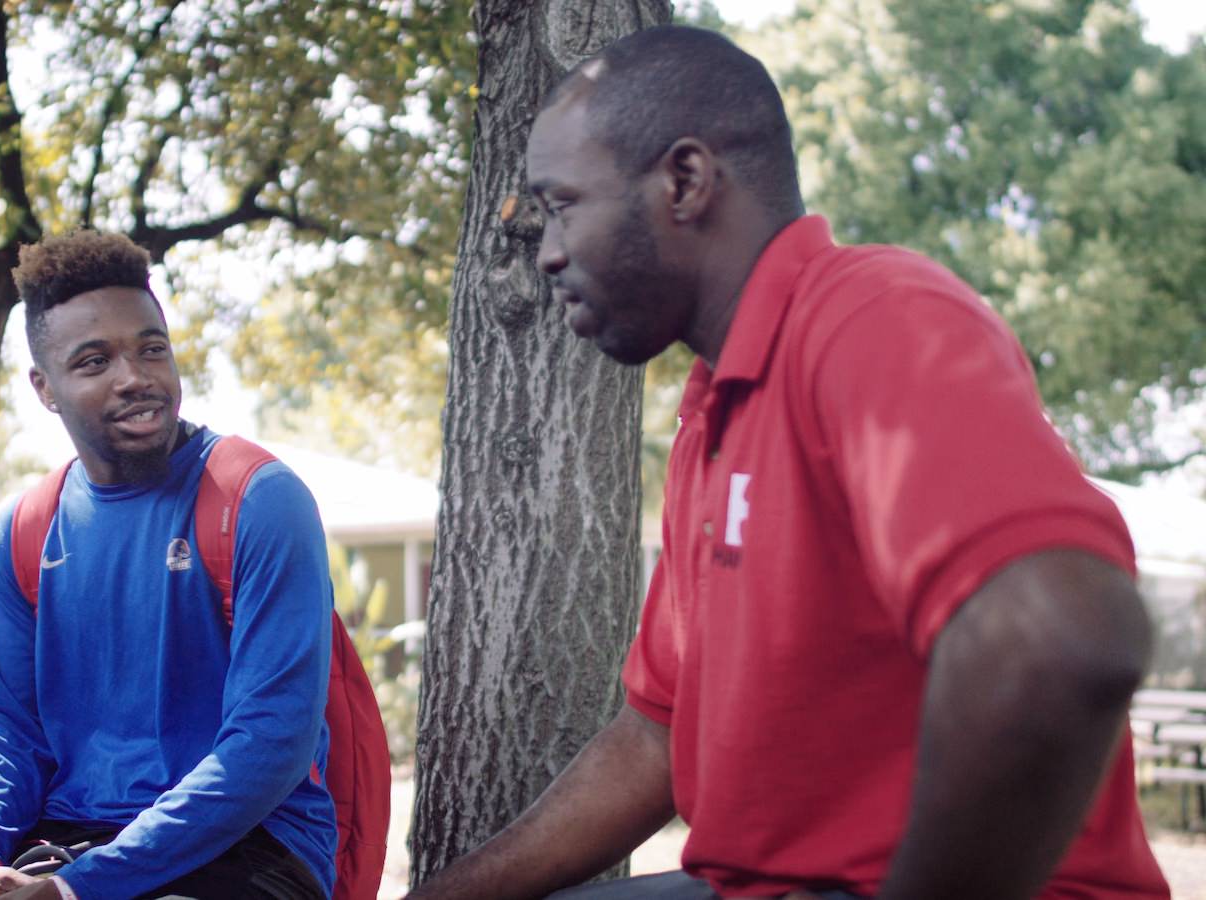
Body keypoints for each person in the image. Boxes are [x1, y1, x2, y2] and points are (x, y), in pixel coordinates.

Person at [409, 24, 1169, 900]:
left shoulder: (874, 319)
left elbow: (1061, 639)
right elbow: (654, 736)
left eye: (563, 204)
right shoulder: (712, 413)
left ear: (684, 182)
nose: (544, 253)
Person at [0, 231, 337, 900]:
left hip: (245, 847)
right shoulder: (27, 527)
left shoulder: (258, 500)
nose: (136, 377)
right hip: (66, 828)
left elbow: (269, 745)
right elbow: (6, 733)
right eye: (95, 361)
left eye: (151, 349)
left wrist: (76, 889)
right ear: (45, 388)